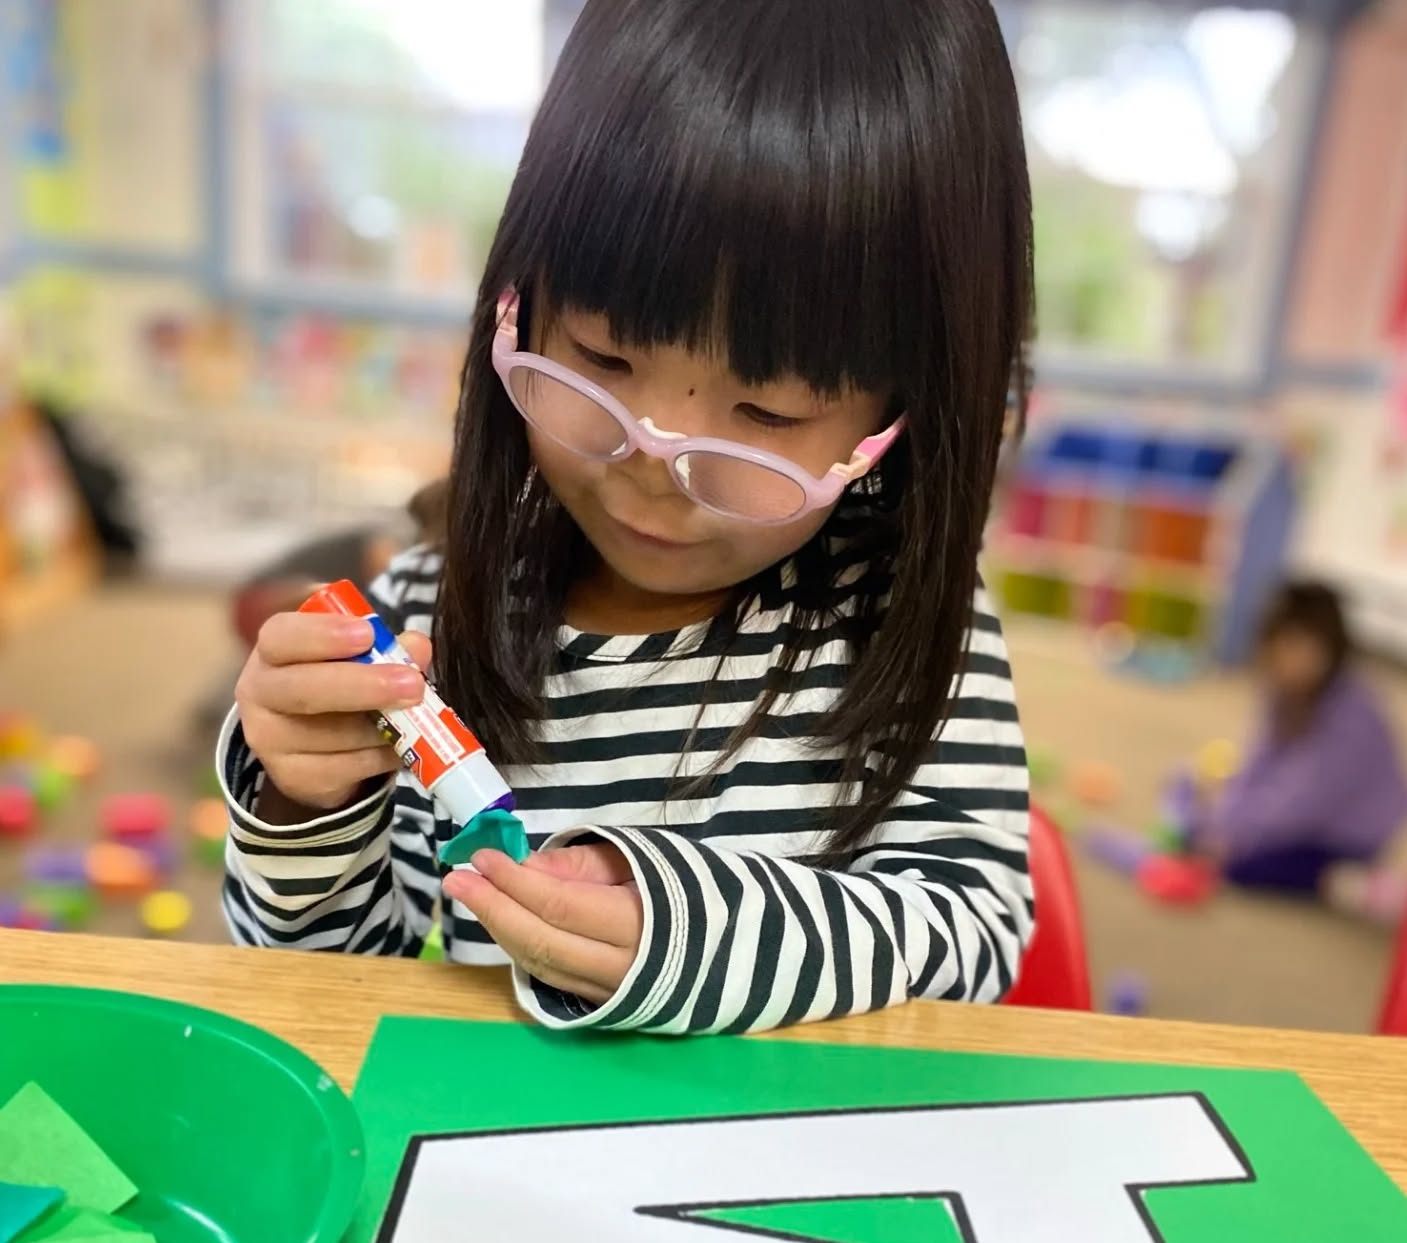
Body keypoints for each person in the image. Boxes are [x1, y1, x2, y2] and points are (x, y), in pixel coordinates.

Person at [220, 0, 1036, 1034]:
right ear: (517, 305)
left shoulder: (905, 623)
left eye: (766, 414)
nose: (654, 468)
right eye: (602, 360)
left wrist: (690, 932)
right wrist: (304, 806)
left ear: (900, 418)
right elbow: (325, 993)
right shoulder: (431, 612)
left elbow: (973, 932)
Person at [1188, 582, 1407, 900]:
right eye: (1284, 648)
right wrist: (1224, 821)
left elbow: (1306, 803)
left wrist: (1238, 836)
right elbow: (1258, 761)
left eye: (1306, 650)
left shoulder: (1352, 713)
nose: (1292, 662)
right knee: (1200, 823)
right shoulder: (1282, 694)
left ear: (1332, 652)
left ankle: (1350, 882)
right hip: (1302, 816)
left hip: (1350, 832)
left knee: (1245, 867)